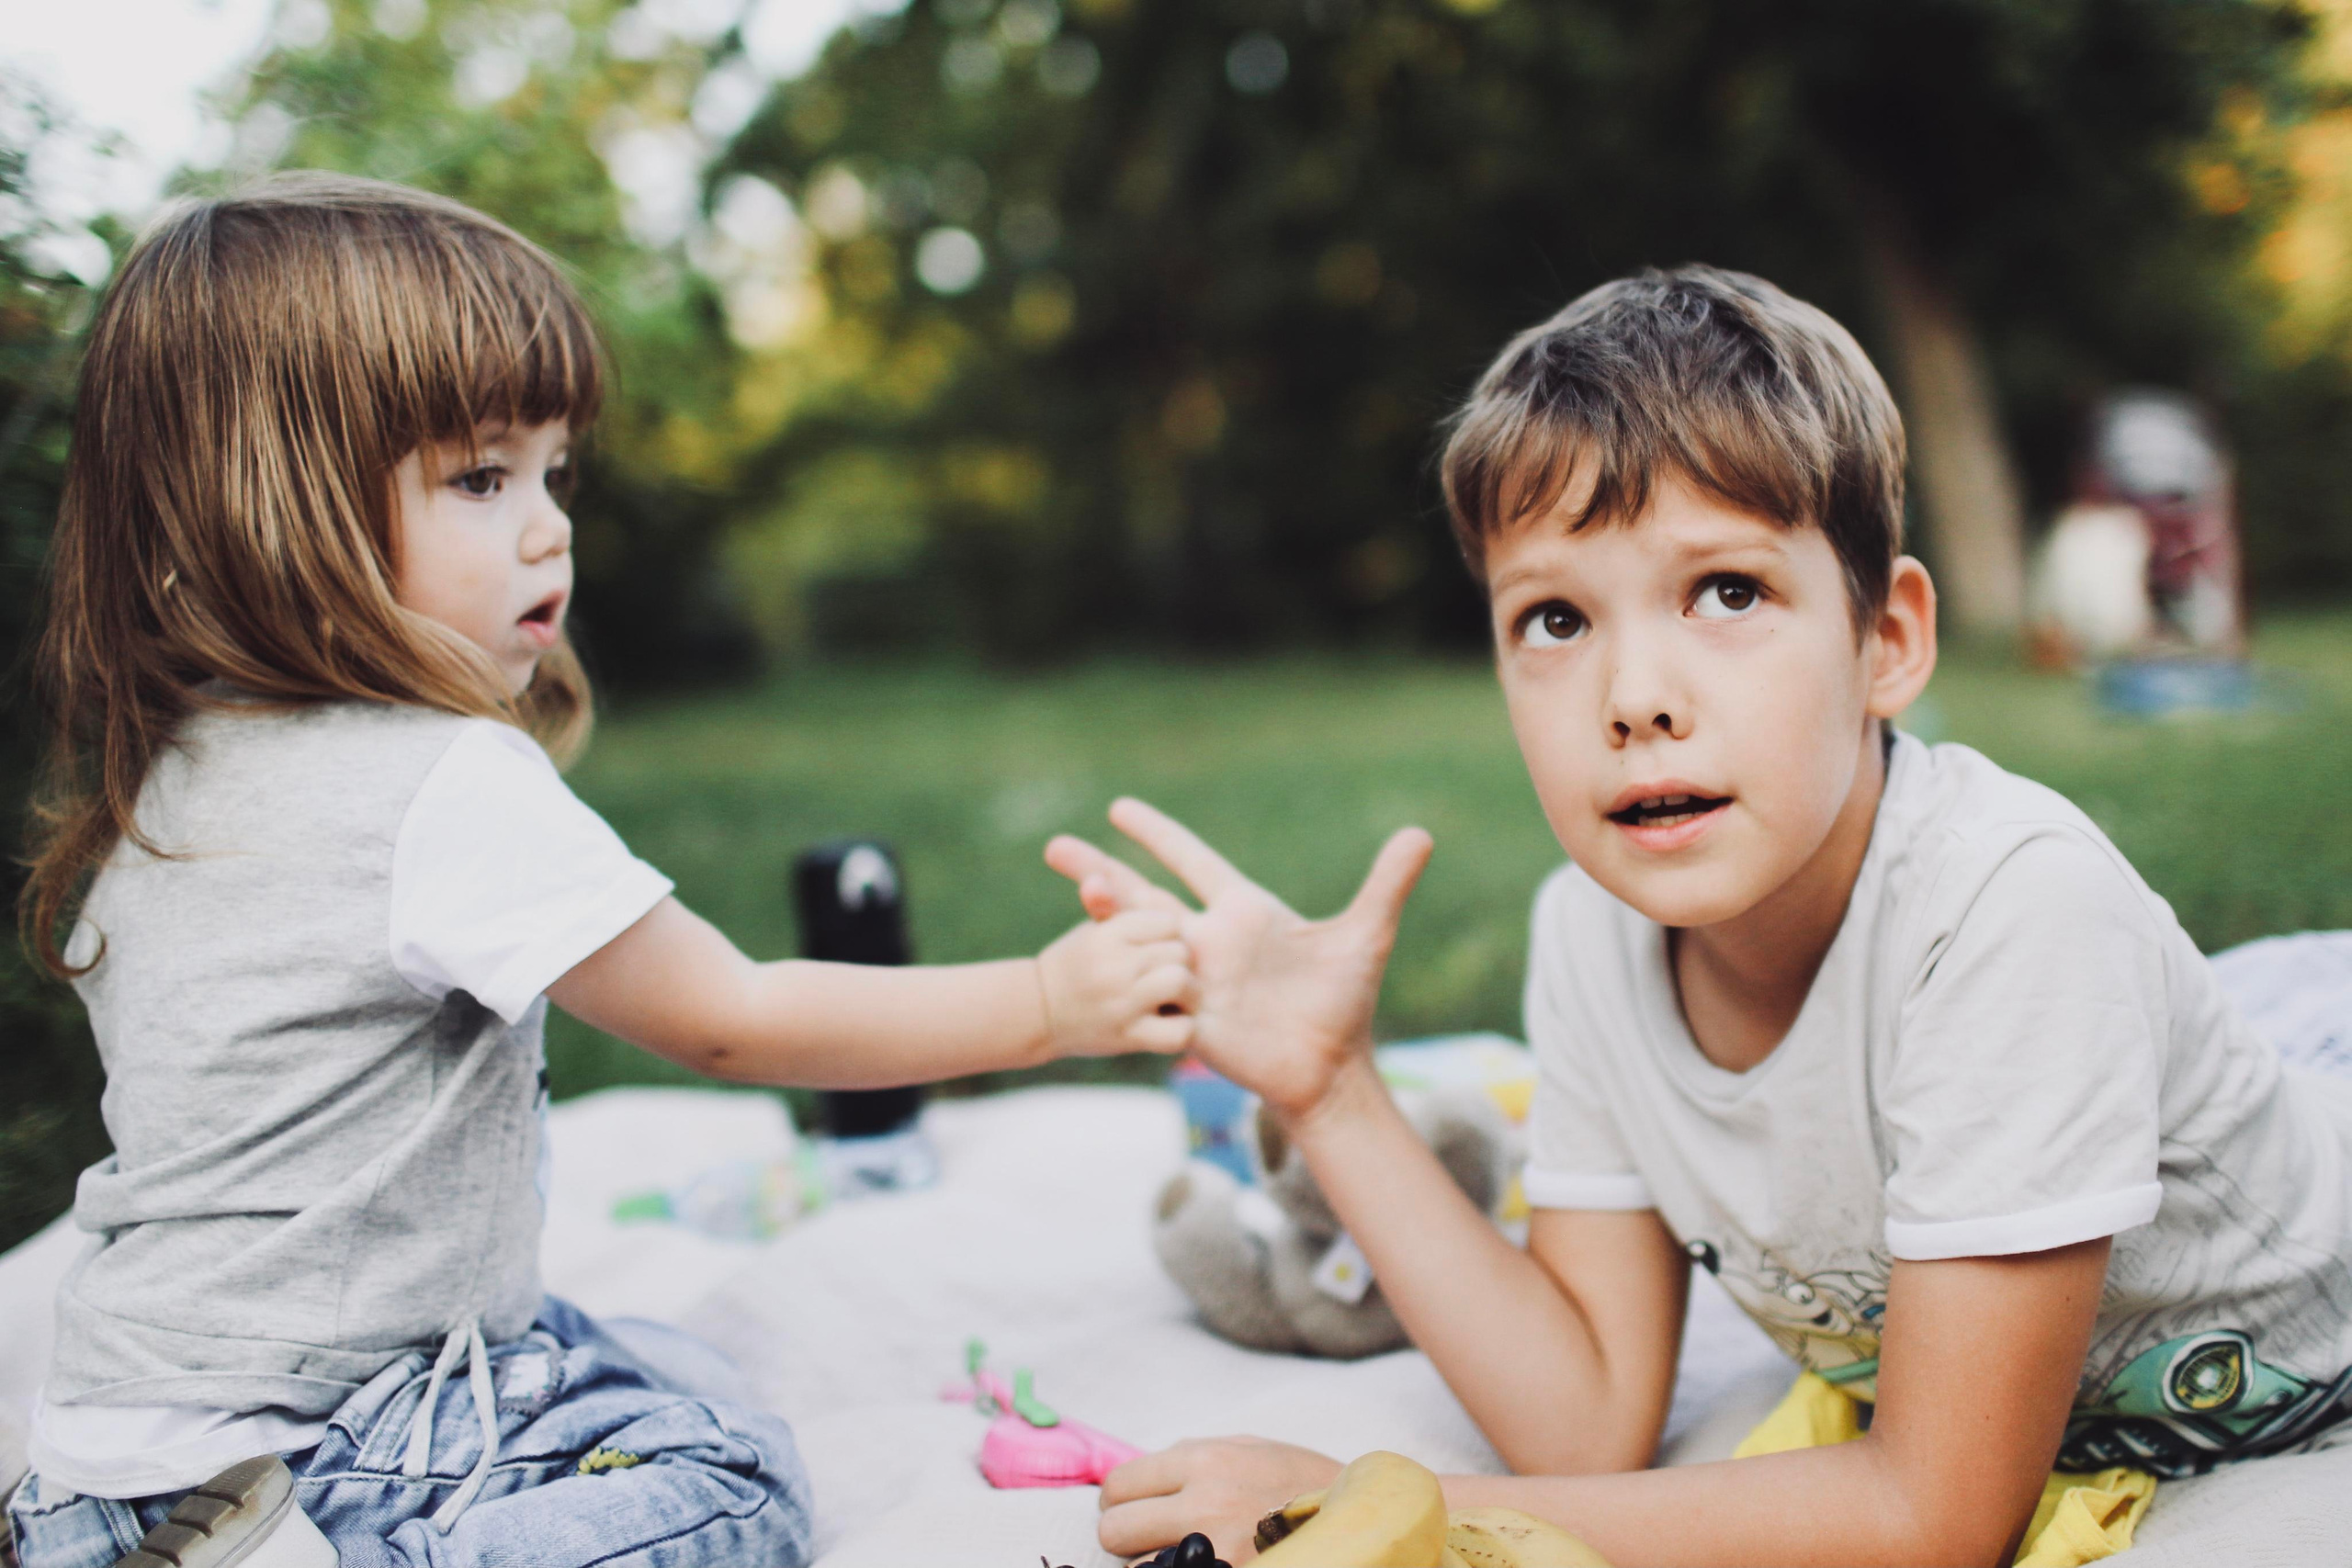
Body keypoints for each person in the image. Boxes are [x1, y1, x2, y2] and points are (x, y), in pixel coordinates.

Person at [1048, 266, 2352, 1565]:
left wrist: (1379, 1506)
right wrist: (1333, 1090)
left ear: (1886, 641)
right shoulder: (1591, 934)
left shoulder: (2012, 912)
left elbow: (1936, 1515)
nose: (1634, 694)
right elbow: (1583, 1423)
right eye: (1554, 617)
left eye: (1727, 592)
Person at [5, 173, 1194, 1568]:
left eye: (553, 471)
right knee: (729, 1474)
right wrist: (1050, 1004)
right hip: (327, 1448)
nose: (549, 525)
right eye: (479, 477)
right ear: (281, 509)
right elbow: (730, 1017)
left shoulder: (176, 779)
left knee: (645, 1358)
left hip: (114, 1461)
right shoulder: (434, 776)